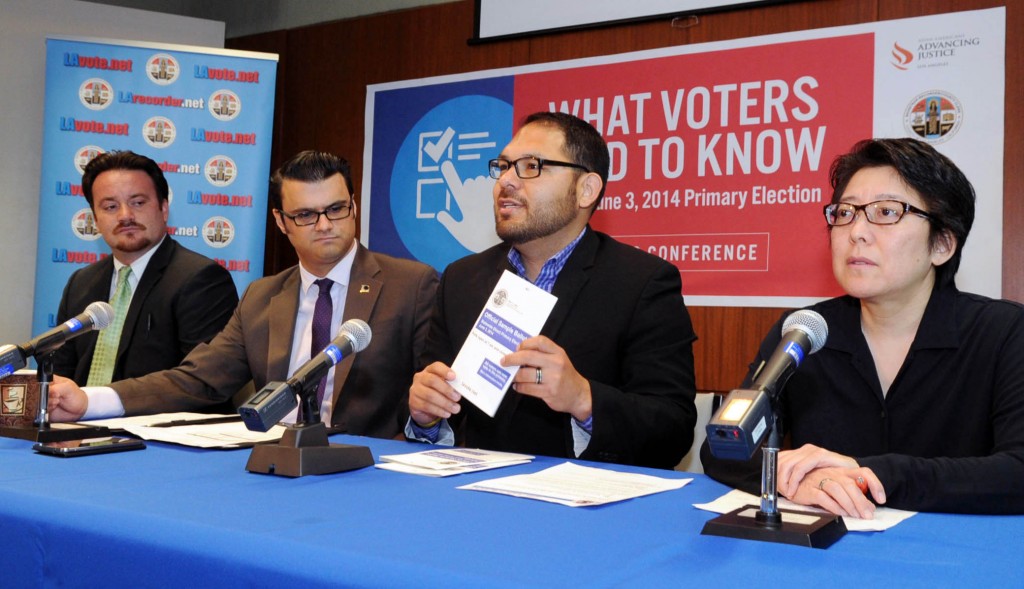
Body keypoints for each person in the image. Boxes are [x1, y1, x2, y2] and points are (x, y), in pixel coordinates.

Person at [701, 138, 1024, 515]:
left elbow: (1017, 470)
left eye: (886, 212)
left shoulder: (1004, 333)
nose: (856, 232)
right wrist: (796, 478)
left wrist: (870, 474)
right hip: (827, 556)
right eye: (844, 213)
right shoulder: (804, 332)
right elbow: (723, 448)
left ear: (943, 244)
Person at [48, 150, 439, 438]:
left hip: (369, 470)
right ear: (281, 222)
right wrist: (89, 401)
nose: (323, 225)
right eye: (305, 215)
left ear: (353, 206)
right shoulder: (262, 296)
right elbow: (198, 379)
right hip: (272, 464)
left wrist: (426, 417)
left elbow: (433, 395)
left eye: (336, 209)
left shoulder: (412, 285)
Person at [407, 111, 697, 469]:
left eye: (530, 166)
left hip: (587, 508)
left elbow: (674, 429)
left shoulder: (642, 282)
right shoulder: (462, 280)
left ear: (586, 190)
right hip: (477, 500)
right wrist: (426, 417)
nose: (506, 182)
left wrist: (583, 399)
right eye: (503, 165)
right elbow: (442, 414)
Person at [52, 150, 238, 387]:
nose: (125, 216)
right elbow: (61, 373)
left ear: (163, 208)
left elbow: (204, 381)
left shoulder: (201, 279)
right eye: (110, 207)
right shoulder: (81, 283)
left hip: (154, 422)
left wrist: (104, 402)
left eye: (138, 203)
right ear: (95, 220)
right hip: (76, 422)